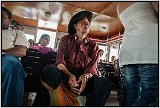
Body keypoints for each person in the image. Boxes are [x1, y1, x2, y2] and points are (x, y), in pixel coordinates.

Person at [34, 11, 111, 106]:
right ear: (75, 26)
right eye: (83, 22)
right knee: (49, 71)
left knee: (104, 83)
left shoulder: (94, 46)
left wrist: (85, 77)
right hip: (65, 77)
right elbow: (60, 62)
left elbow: (92, 68)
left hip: (83, 81)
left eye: (88, 24)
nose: (87, 25)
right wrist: (70, 76)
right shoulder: (65, 40)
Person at [117, 2, 158, 106]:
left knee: (130, 93)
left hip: (128, 52)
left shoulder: (119, 5)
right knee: (150, 95)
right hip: (149, 48)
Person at [2, 7, 29, 106]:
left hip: (7, 57)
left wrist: (3, 53)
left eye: (2, 16)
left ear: (10, 20)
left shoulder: (17, 32)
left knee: (12, 65)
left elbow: (21, 51)